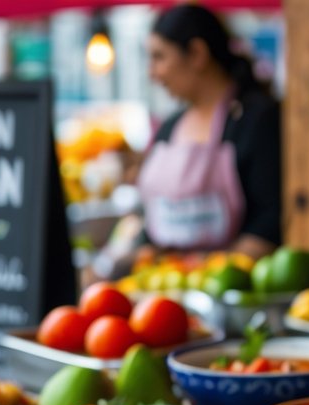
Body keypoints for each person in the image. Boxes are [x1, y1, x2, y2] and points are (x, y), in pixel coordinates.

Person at [95, 4, 282, 279]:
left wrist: (203, 274)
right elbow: (147, 217)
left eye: (160, 57)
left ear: (197, 53)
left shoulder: (255, 120)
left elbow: (268, 224)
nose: (152, 73)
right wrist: (110, 262)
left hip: (229, 290)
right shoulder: (169, 128)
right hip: (162, 291)